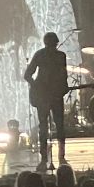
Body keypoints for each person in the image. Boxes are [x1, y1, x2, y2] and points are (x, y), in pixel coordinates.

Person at [24, 32, 69, 170]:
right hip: (47, 95)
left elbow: (28, 75)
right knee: (52, 126)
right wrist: (37, 87)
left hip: (50, 95)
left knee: (47, 126)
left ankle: (50, 159)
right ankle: (56, 158)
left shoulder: (46, 55)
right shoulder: (58, 55)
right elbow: (28, 75)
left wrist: (36, 86)